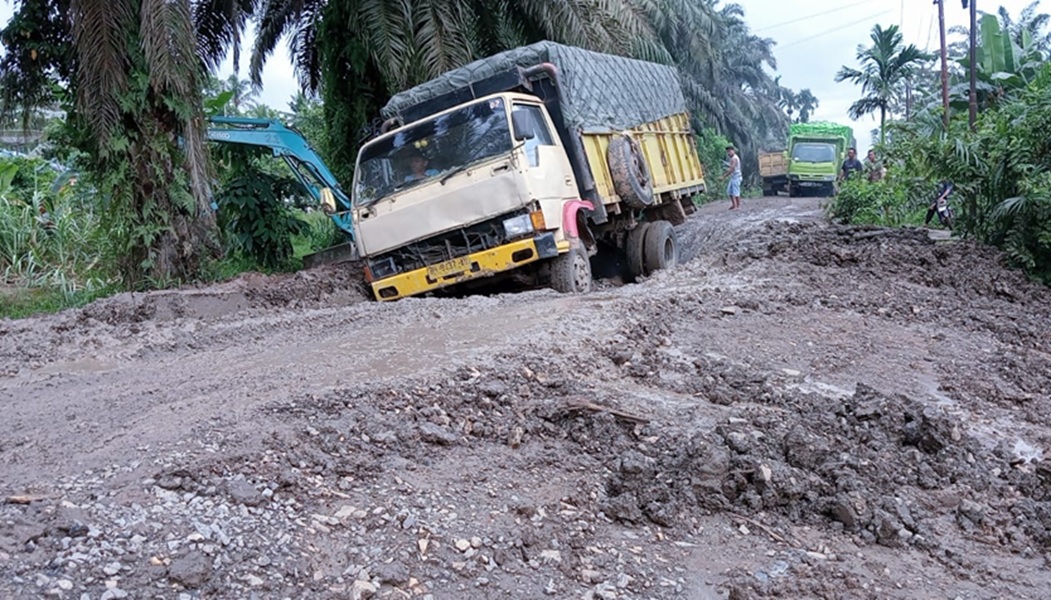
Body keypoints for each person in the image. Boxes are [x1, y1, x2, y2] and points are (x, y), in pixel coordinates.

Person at [723, 145, 742, 210]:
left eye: (730, 151)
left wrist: (724, 176)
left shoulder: (734, 158)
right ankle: (734, 205)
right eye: (728, 152)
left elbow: (732, 169)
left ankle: (738, 206)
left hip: (736, 177)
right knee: (729, 191)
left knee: (736, 192)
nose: (728, 153)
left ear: (733, 151)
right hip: (733, 177)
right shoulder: (732, 158)